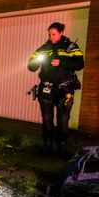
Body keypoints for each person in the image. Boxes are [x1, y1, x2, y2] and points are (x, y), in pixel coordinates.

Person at [27, 22, 84, 156]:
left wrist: (61, 62)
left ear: (61, 33)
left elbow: (80, 64)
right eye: (49, 34)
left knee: (63, 119)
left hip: (64, 89)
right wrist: (37, 61)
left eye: (54, 34)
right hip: (47, 88)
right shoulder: (43, 48)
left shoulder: (71, 47)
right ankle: (47, 145)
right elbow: (31, 67)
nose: (51, 37)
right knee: (47, 118)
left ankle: (62, 147)